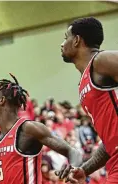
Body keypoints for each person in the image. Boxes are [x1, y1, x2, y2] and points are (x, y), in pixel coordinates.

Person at [56, 17, 118, 184]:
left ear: (76, 40)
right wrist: (84, 169)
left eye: (65, 37)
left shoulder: (101, 61)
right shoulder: (86, 81)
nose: (62, 44)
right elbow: (110, 140)